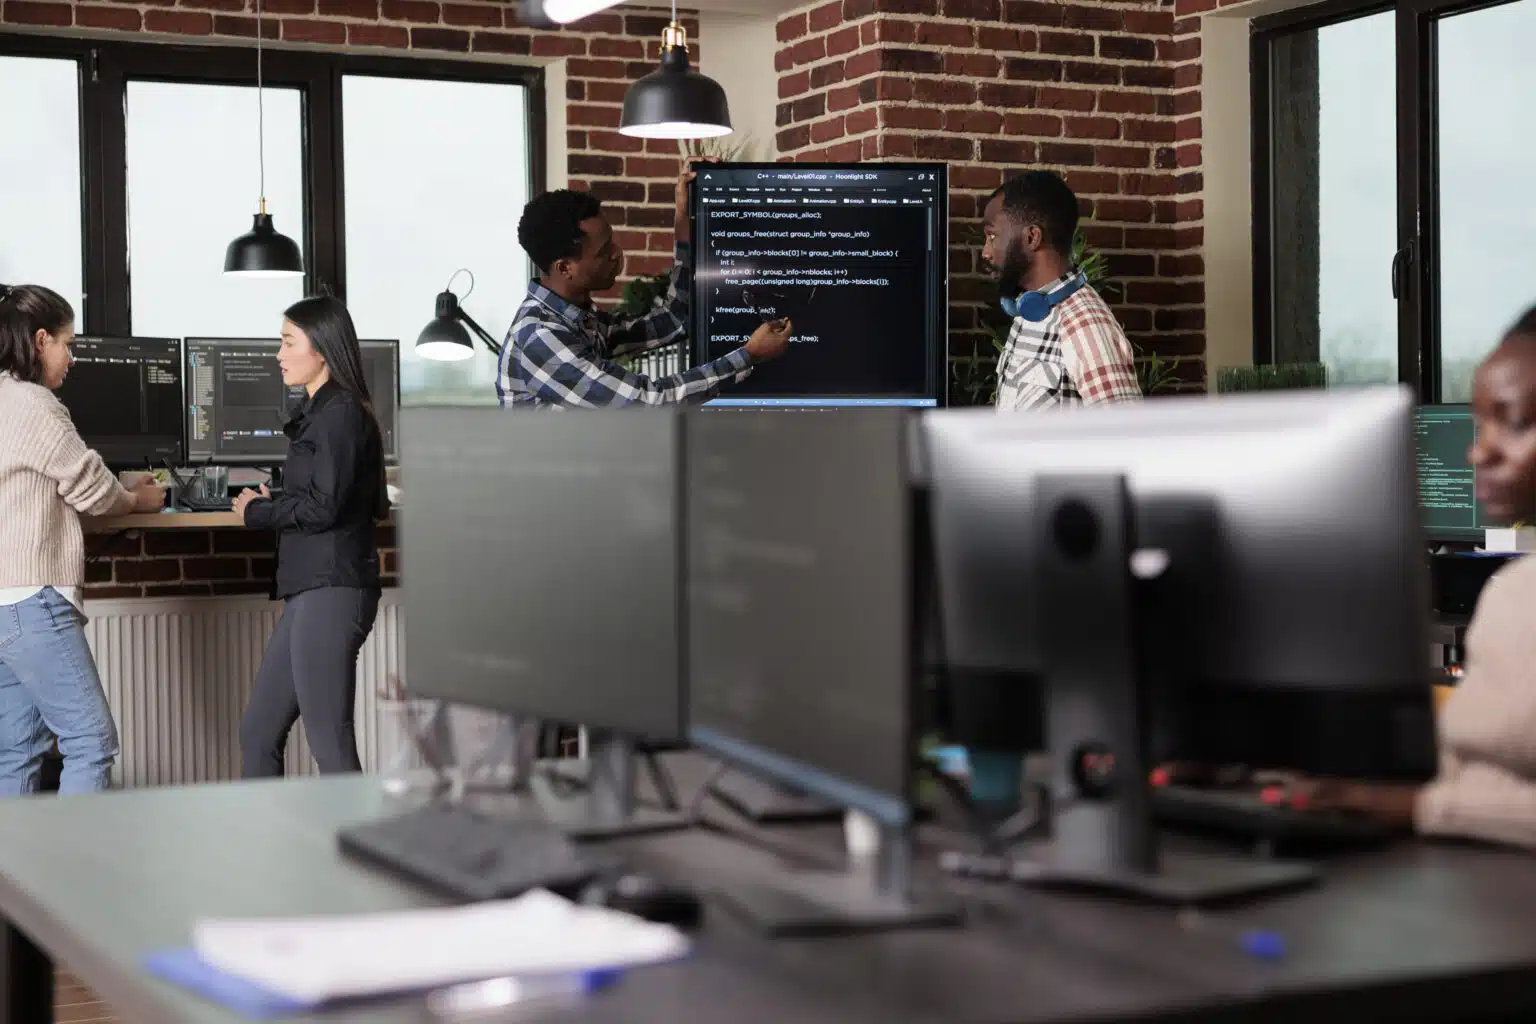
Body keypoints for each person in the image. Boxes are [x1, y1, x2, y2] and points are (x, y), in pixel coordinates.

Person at [1274, 307, 1536, 849]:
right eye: (1479, 424)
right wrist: (1259, 767)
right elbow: (1476, 768)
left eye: (1511, 422)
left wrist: (1416, 807)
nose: (1478, 451)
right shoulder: (1512, 592)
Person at [0, 283, 165, 795]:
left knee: (16, 753)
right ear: (40, 340)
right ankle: (73, 873)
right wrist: (137, 499)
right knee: (90, 742)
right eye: (68, 345)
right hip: (34, 598)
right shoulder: (34, 403)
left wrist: (116, 486)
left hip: (4, 605)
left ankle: (17, 875)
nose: (72, 358)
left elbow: (50, 478)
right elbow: (92, 490)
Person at [232, 296, 387, 777]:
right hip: (310, 589)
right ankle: (268, 849)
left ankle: (361, 851)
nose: (278, 354)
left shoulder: (340, 412)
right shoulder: (323, 411)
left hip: (333, 589)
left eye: (287, 342)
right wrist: (273, 499)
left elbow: (325, 505)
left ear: (320, 348)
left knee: (330, 744)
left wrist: (257, 511)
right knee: (258, 734)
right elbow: (323, 491)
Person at [499, 160, 794, 408]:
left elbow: (673, 318)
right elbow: (645, 402)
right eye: (604, 252)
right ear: (565, 268)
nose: (618, 253)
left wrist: (683, 221)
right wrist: (749, 355)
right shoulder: (540, 336)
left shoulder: (581, 322)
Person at [982, 170, 1141, 410]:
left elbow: (1128, 440)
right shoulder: (1029, 311)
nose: (986, 252)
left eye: (992, 236)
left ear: (1032, 237)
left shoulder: (1086, 328)